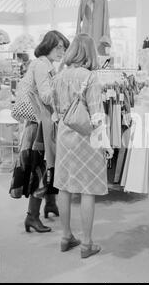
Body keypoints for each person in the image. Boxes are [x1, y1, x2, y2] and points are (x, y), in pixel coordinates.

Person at [53, 33, 113, 258]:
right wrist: (105, 143)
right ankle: (87, 244)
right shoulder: (90, 77)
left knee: (65, 186)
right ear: (89, 53)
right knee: (88, 188)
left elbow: (55, 108)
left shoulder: (60, 76)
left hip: (64, 136)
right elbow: (97, 116)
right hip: (86, 138)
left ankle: (66, 236)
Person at [11, 30, 70, 233]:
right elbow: (45, 96)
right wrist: (64, 88)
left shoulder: (46, 65)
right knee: (41, 167)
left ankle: (50, 204)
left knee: (49, 164)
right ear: (48, 45)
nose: (62, 51)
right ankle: (32, 216)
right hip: (38, 125)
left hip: (42, 122)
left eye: (64, 47)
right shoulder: (41, 65)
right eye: (58, 47)